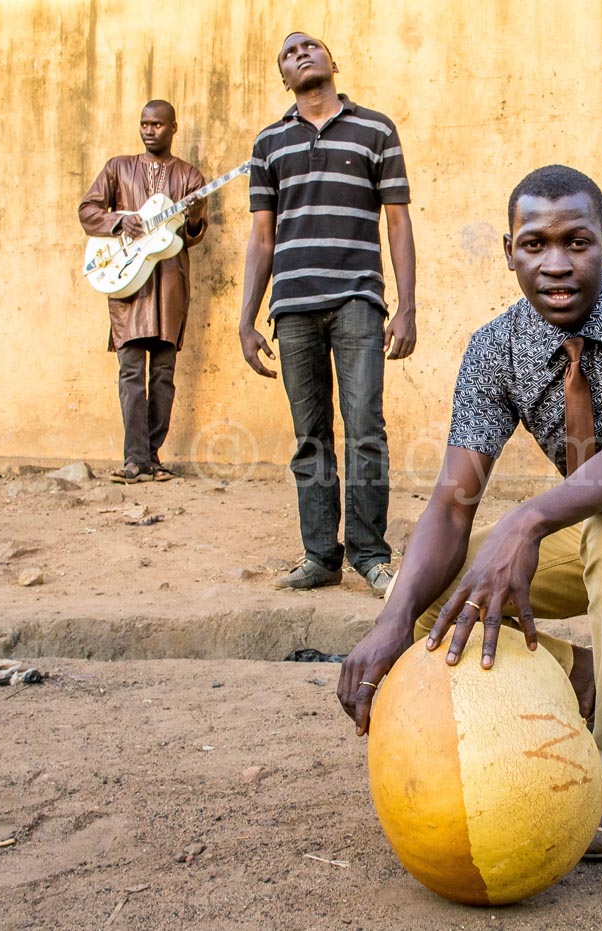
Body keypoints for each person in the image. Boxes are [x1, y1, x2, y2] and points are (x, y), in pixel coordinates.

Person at [337, 165, 602, 859]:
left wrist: (526, 521)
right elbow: (452, 500)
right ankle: (577, 676)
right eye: (535, 244)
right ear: (508, 250)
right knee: (434, 597)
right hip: (587, 530)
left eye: (576, 242)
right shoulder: (495, 347)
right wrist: (389, 621)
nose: (556, 264)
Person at [238, 32, 417, 596]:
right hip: (291, 307)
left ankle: (369, 554)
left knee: (366, 429)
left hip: (358, 300)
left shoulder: (376, 129)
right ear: (284, 79)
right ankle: (321, 555)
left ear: (332, 62)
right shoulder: (268, 143)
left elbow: (398, 223)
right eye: (288, 55)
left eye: (309, 47)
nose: (300, 55)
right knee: (309, 435)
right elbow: (261, 238)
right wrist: (247, 318)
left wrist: (406, 305)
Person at [79, 100, 207, 484]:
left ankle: (152, 456)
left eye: (157, 124)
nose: (149, 130)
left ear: (173, 128)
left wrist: (197, 216)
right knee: (131, 371)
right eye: (144, 124)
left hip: (169, 285)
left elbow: (193, 237)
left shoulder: (189, 177)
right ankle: (134, 459)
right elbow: (88, 211)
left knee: (163, 375)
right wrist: (121, 221)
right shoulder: (118, 167)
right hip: (125, 284)